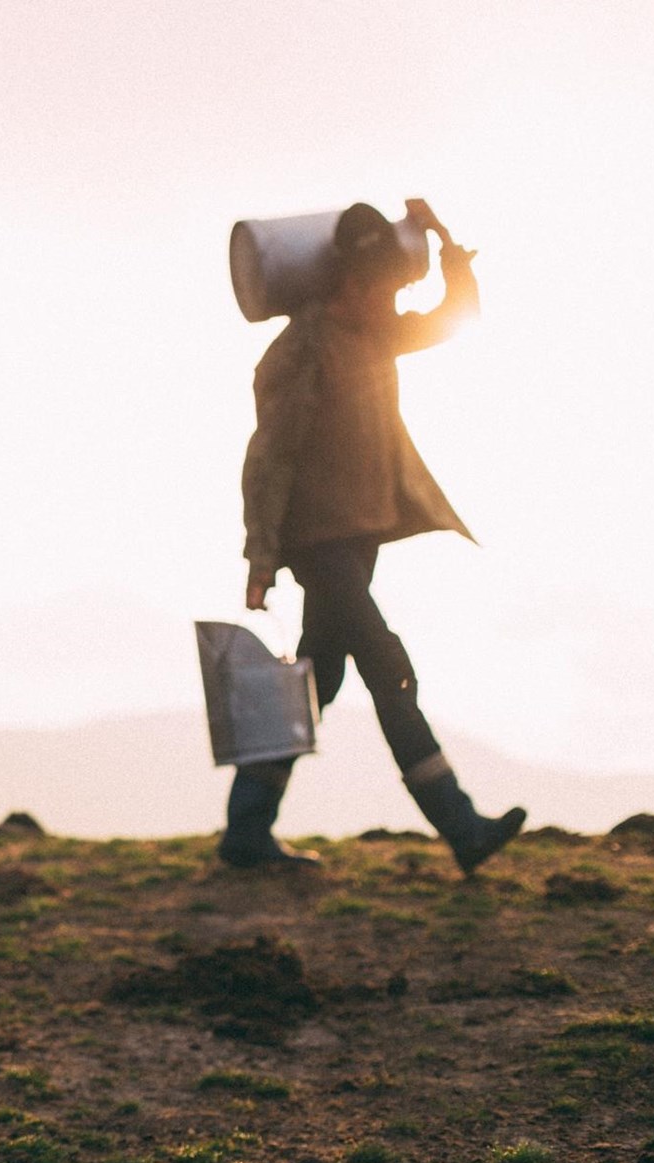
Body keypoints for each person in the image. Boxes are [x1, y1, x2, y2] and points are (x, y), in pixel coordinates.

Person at [225, 198, 525, 875]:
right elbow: (267, 461)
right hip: (318, 544)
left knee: (318, 682)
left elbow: (458, 317)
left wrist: (446, 240)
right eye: (381, 290)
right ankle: (459, 823)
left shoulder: (377, 333)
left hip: (359, 540)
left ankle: (245, 831)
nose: (390, 302)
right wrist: (261, 559)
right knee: (387, 666)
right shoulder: (299, 352)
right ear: (347, 285)